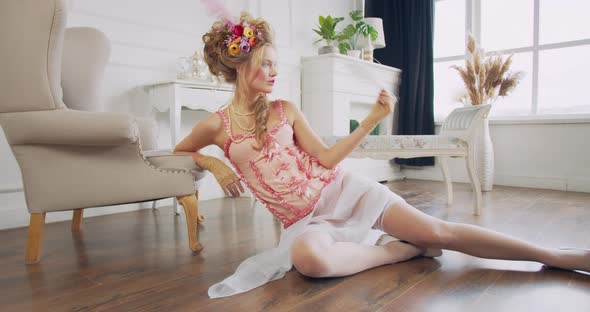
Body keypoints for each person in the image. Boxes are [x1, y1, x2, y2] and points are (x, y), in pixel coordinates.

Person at [173, 12, 590, 298]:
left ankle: (552, 255)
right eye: (266, 64)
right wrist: (215, 163)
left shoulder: (286, 110)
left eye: (276, 64)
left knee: (440, 232)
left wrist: (373, 118)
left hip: (342, 191)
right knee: (309, 260)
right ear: (241, 65)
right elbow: (181, 152)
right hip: (302, 221)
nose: (275, 71)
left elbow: (329, 159)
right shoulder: (217, 125)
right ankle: (401, 249)